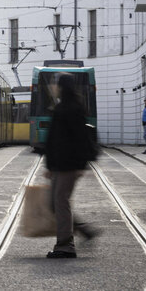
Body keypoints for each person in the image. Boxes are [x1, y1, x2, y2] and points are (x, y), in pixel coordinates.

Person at [42, 73, 98, 259]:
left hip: (68, 164)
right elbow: (54, 139)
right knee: (54, 203)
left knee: (60, 201)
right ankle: (83, 230)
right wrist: (50, 165)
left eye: (55, 83)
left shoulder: (72, 108)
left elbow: (79, 138)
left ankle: (65, 245)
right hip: (60, 164)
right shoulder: (61, 106)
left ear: (62, 86)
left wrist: (81, 164)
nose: (53, 87)